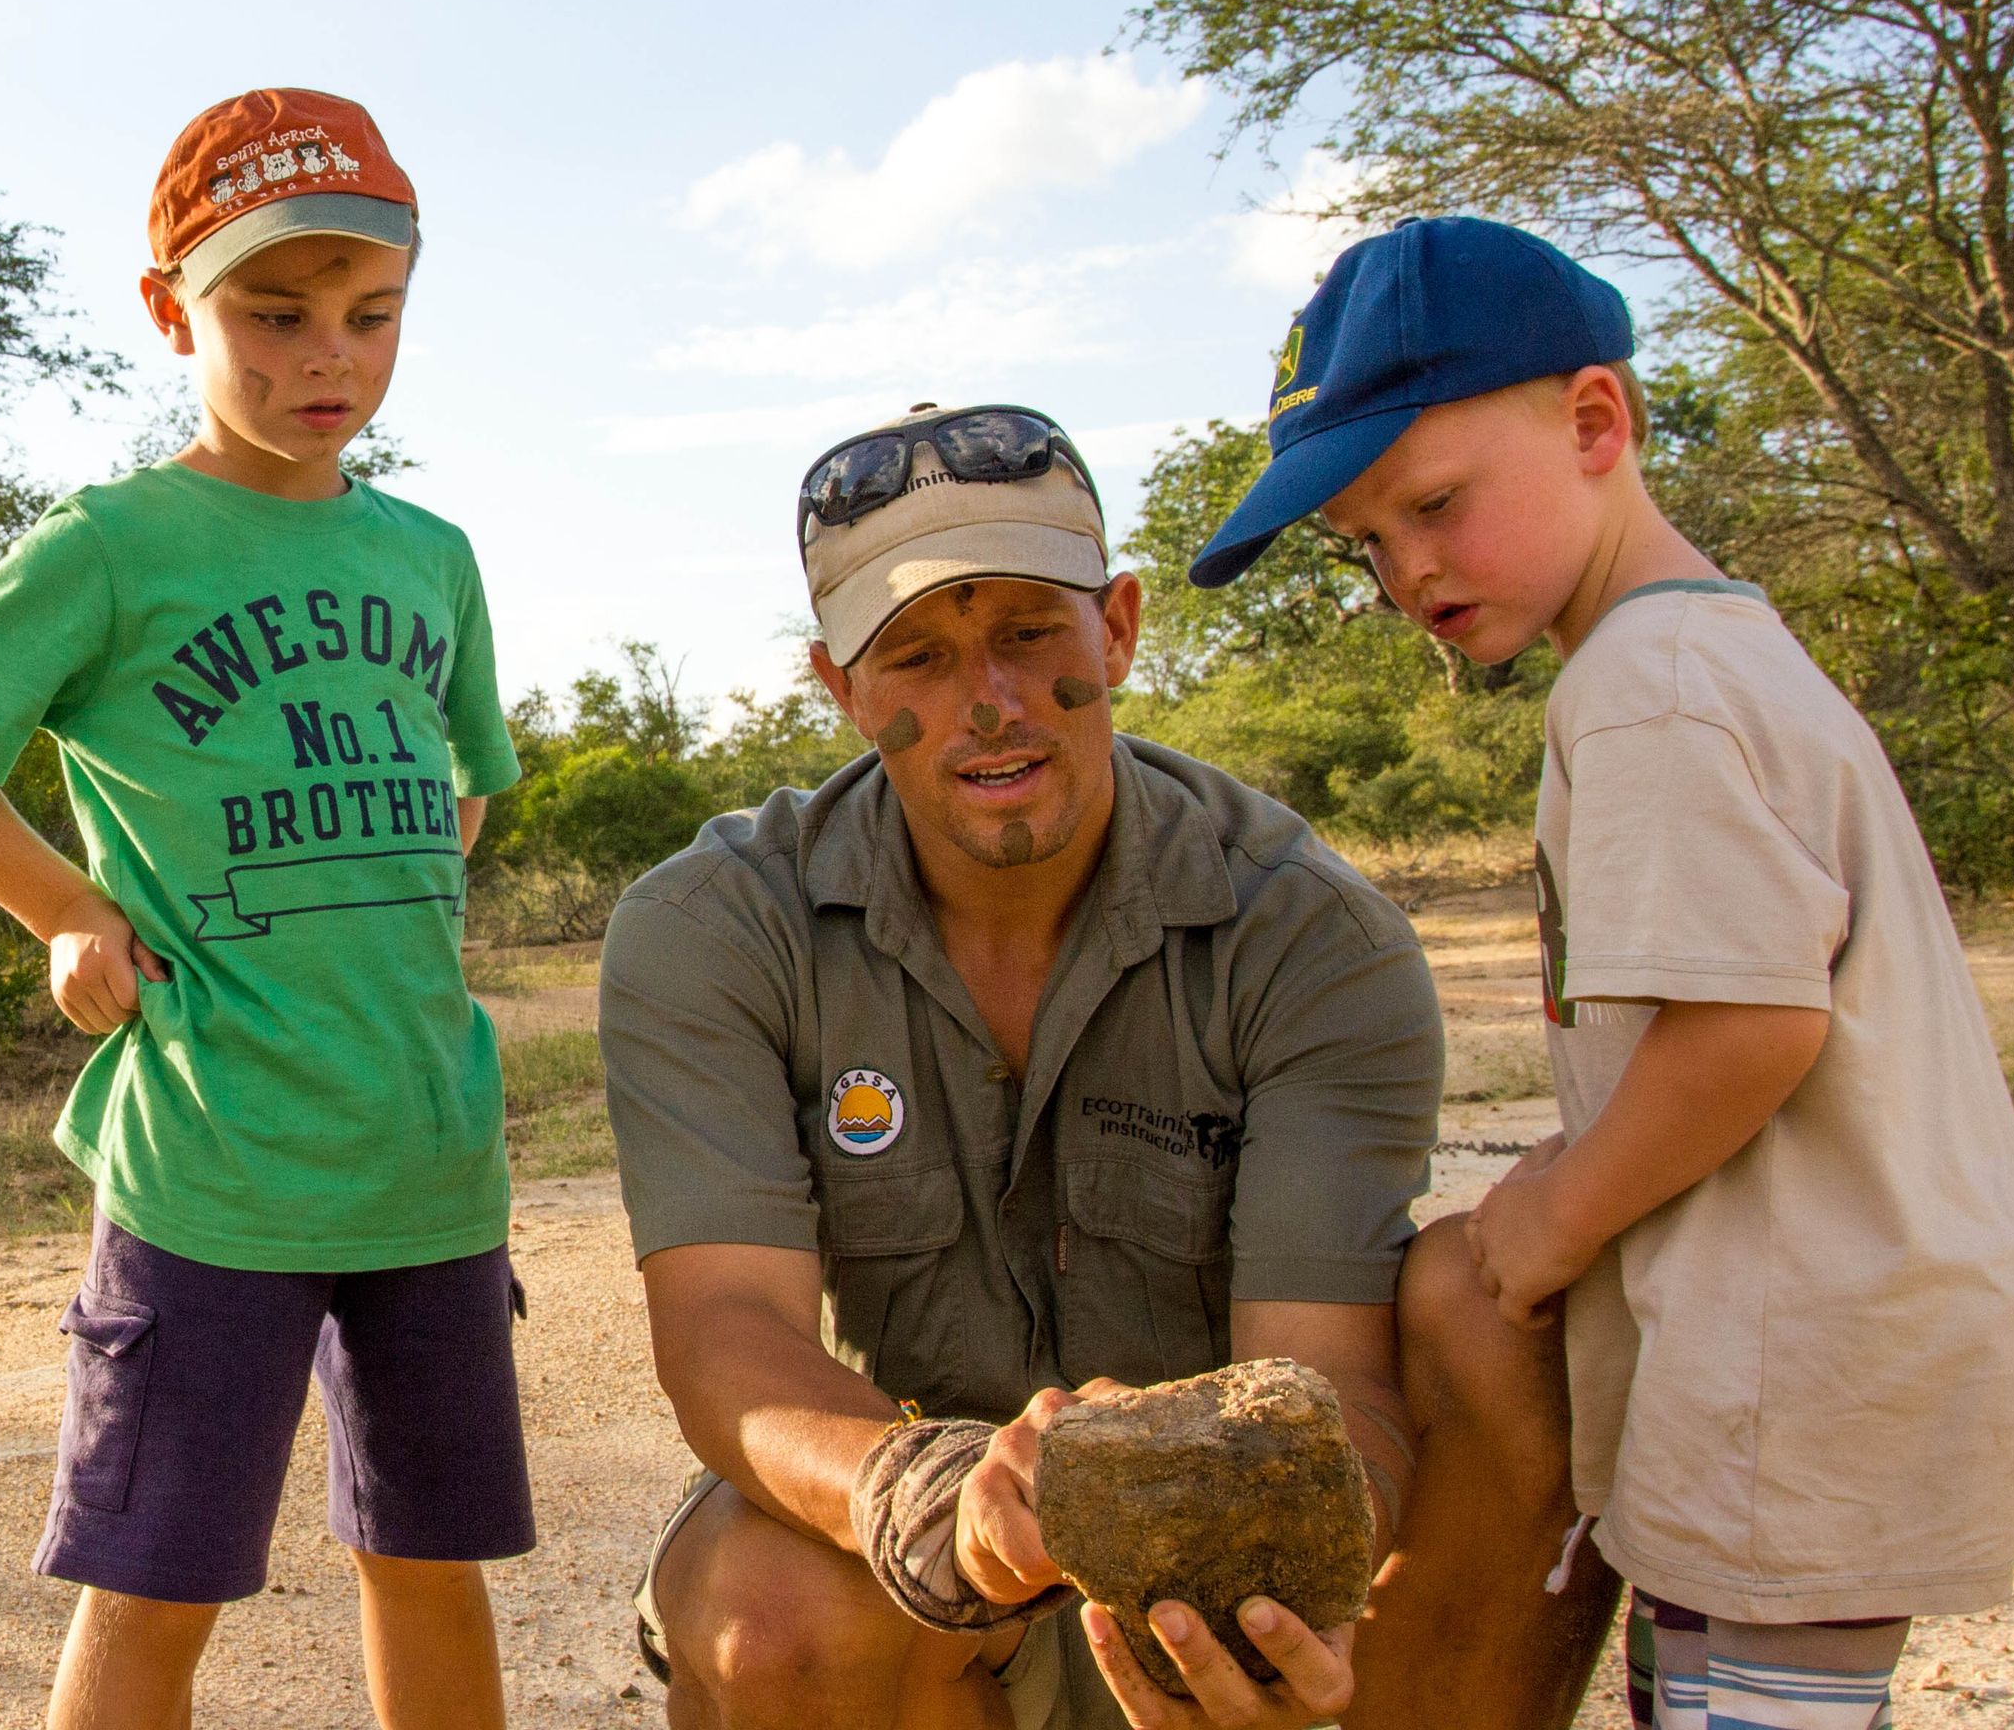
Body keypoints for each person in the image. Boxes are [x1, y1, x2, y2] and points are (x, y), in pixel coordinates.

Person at [606, 400, 1618, 1730]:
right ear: (842, 691)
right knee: (773, 1604)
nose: (990, 703)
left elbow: (1334, 1378)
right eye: (914, 656)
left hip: (1231, 1564)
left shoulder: (1307, 932)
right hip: (944, 1590)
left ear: (1121, 629)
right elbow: (726, 1337)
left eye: (1031, 633)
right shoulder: (717, 925)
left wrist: (1287, 1591)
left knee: (1496, 1312)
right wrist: (938, 1505)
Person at [1192, 215, 2014, 1730]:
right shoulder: (1703, 650)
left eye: (1437, 503)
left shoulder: (1646, 689)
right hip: (1812, 1350)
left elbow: (1749, 1029)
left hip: (1789, 1367)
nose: (1410, 569)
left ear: (1597, 420)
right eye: (1369, 545)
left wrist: (1549, 1221)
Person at [0, 88, 531, 1730]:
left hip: (432, 1159)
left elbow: (471, 784)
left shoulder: (432, 556)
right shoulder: (114, 544)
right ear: (173, 311)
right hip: (216, 1157)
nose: (326, 360)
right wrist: (71, 909)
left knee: (429, 1566)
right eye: (273, 315)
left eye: (370, 319)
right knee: (157, 1583)